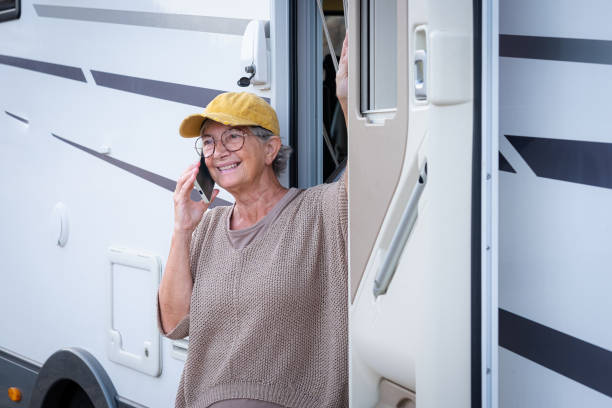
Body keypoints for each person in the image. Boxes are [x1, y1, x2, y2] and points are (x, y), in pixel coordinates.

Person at [157, 35, 349, 408]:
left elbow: (375, 177)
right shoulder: (207, 229)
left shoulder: (319, 210)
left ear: (270, 149)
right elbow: (173, 323)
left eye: (233, 136)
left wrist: (347, 101)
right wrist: (181, 230)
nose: (218, 152)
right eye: (209, 142)